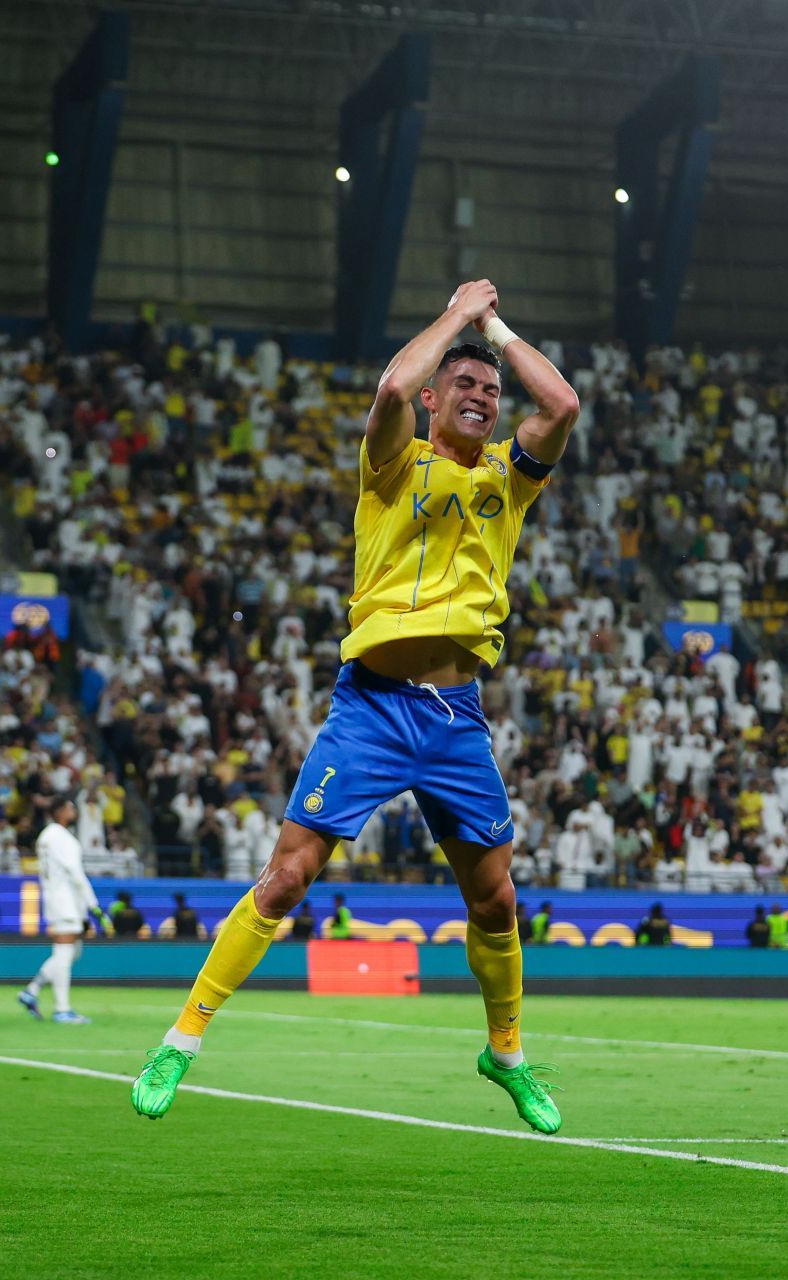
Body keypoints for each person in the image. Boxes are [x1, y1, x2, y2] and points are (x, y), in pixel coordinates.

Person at [131, 280, 580, 1133]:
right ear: (434, 399)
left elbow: (561, 400)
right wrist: (454, 317)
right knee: (288, 876)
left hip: (454, 716)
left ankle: (507, 1055)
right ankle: (179, 1042)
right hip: (372, 707)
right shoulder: (391, 464)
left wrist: (494, 330)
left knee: (495, 902)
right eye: (466, 387)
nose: (484, 398)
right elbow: (385, 392)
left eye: (490, 390)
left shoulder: (509, 480)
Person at [19, 795, 106, 1025]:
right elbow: (75, 874)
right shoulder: (62, 837)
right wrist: (93, 905)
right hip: (65, 900)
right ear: (58, 811)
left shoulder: (46, 836)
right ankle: (62, 1009)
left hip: (56, 898)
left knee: (73, 950)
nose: (73, 810)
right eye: (69, 807)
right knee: (65, 954)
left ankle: (32, 990)